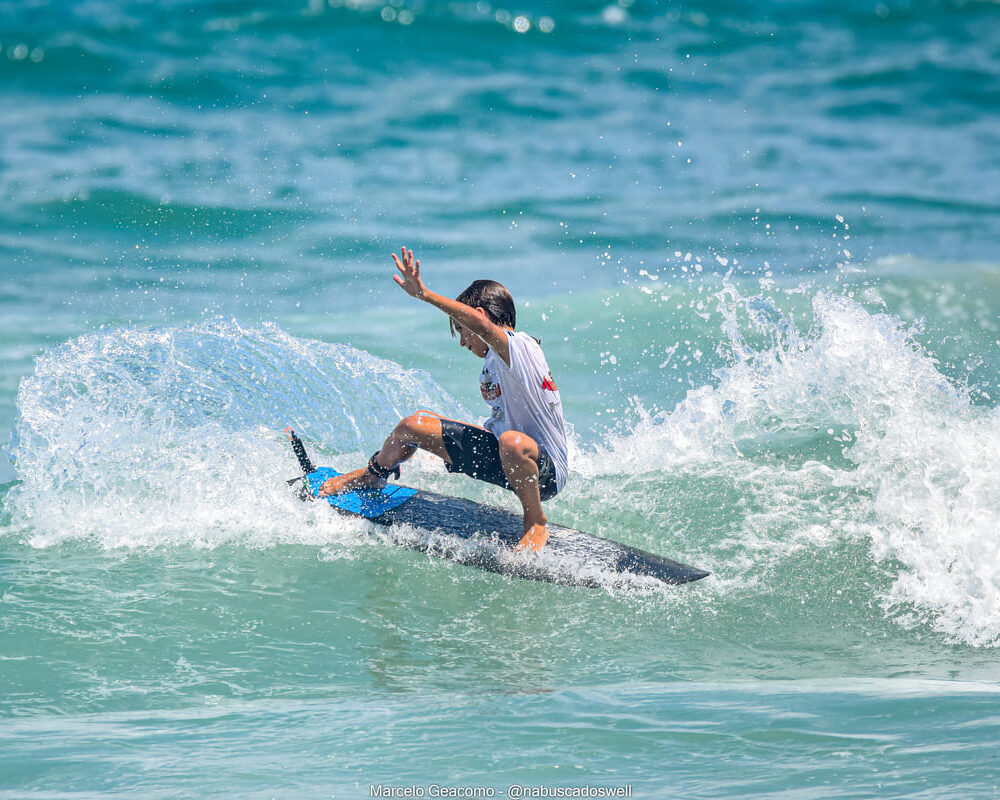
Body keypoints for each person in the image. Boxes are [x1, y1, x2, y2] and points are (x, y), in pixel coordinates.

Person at [318, 246, 568, 553]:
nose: (462, 341)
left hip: (544, 473)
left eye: (463, 331)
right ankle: (373, 476)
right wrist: (432, 443)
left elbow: (485, 328)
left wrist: (424, 294)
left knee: (513, 443)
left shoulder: (520, 347)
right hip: (506, 454)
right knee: (414, 425)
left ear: (479, 318)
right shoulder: (493, 364)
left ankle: (535, 523)